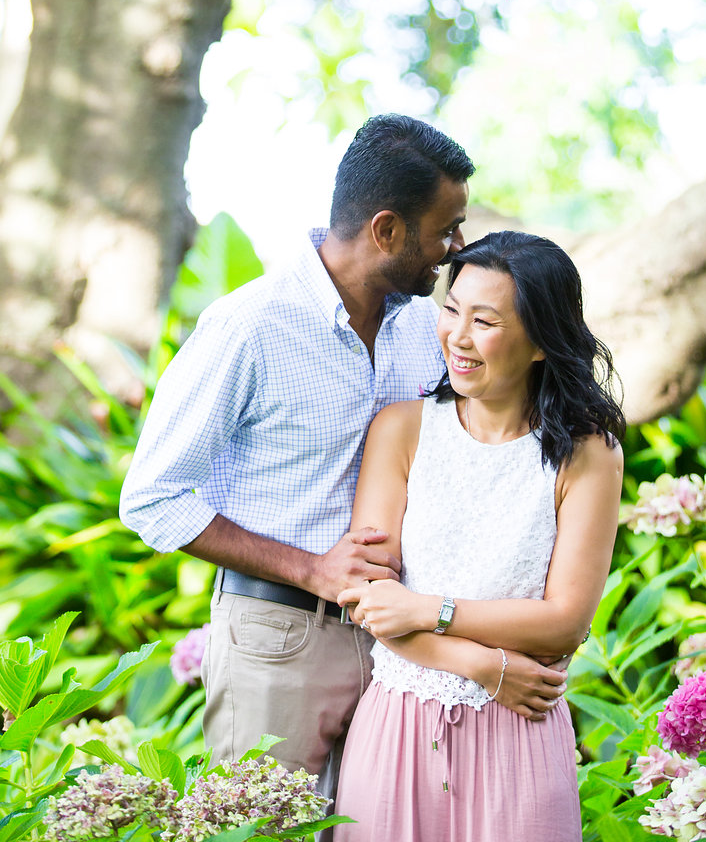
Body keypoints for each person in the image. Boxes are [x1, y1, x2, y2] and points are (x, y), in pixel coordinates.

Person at [120, 117, 570, 790]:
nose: (456, 248)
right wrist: (311, 569)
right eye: (446, 229)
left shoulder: (430, 327)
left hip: (407, 648)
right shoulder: (250, 327)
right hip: (280, 637)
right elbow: (151, 500)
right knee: (261, 830)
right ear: (387, 230)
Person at [331, 230, 626, 842]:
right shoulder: (403, 430)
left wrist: (425, 609)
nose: (458, 337)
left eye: (485, 321)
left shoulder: (588, 455)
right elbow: (369, 601)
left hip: (520, 728)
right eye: (451, 309)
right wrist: (483, 665)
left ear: (542, 342)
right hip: (401, 724)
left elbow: (565, 621)